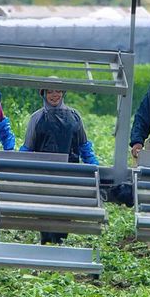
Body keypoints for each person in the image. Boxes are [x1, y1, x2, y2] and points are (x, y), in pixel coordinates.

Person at [20, 84, 99, 244]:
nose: (54, 95)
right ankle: (45, 240)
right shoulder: (37, 117)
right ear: (43, 94)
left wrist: (94, 166)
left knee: (64, 209)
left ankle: (60, 240)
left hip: (69, 174)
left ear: (63, 92)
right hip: (43, 175)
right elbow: (27, 148)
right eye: (50, 91)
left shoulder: (75, 116)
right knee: (45, 209)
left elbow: (84, 145)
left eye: (58, 91)